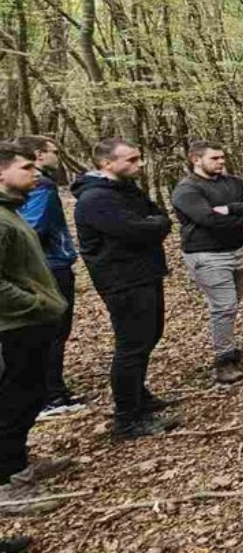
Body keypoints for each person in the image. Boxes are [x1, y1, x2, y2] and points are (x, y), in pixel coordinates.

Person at [72, 138, 178, 439]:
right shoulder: (95, 198)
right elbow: (136, 230)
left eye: (139, 158)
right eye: (131, 159)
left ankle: (139, 398)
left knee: (149, 337)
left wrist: (154, 224)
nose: (139, 164)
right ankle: (127, 419)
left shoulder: (127, 189)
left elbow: (160, 217)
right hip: (122, 280)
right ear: (107, 163)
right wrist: (153, 225)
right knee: (131, 346)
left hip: (146, 274)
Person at [0, 142, 71, 509]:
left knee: (30, 395)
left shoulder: (10, 212)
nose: (36, 173)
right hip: (14, 325)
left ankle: (18, 463)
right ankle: (7, 483)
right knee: (15, 400)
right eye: (26, 167)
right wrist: (35, 303)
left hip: (29, 323)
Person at [171, 141, 243, 384]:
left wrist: (229, 209)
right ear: (196, 160)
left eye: (222, 157)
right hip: (207, 254)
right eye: (214, 158)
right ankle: (224, 360)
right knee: (224, 307)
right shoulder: (187, 189)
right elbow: (208, 219)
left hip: (238, 250)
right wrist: (242, 213)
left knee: (231, 305)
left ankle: (230, 348)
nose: (221, 161)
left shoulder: (233, 182)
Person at [12, 136, 82, 418]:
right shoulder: (41, 185)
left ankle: (54, 391)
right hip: (50, 266)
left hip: (42, 265)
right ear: (39, 155)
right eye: (55, 152)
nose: (58, 156)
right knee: (54, 329)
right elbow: (33, 227)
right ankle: (51, 396)